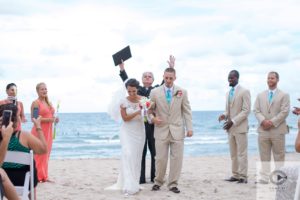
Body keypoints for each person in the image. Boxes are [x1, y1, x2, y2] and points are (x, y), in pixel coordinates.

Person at [118, 55, 175, 184]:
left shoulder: (157, 89)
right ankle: (141, 178)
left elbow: (167, 81)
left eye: (150, 76)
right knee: (140, 153)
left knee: (155, 152)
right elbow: (127, 82)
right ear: (142, 80)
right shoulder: (138, 90)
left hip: (154, 125)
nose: (147, 78)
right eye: (145, 76)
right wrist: (122, 69)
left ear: (154, 79)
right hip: (140, 125)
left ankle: (155, 177)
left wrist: (171, 67)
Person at [149, 67, 193, 194]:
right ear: (163, 76)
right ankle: (158, 182)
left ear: (175, 78)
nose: (168, 80)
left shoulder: (182, 91)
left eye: (171, 78)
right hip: (161, 130)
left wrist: (189, 128)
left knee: (177, 159)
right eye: (166, 78)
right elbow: (149, 111)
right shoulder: (154, 92)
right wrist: (153, 119)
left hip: (177, 130)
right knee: (160, 159)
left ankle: (173, 184)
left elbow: (186, 111)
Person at [106, 78, 145, 195]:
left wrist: (149, 115)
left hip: (139, 131)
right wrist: (138, 112)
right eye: (129, 91)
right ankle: (129, 186)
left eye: (134, 91)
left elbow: (148, 115)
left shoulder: (144, 100)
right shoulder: (123, 101)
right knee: (127, 154)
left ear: (137, 89)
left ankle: (134, 182)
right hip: (127, 131)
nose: (132, 94)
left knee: (136, 158)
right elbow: (125, 119)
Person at [0, 103, 48, 199]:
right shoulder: (24, 136)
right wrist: (38, 126)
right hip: (22, 180)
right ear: (15, 120)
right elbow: (43, 149)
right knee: (31, 164)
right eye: (18, 116)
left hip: (4, 181)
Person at [254, 71, 290, 184]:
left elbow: (285, 111)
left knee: (279, 155)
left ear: (277, 80)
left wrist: (271, 122)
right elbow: (256, 110)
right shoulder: (260, 95)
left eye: (272, 78)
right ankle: (264, 178)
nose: (270, 80)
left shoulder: (284, 95)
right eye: (268, 78)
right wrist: (263, 121)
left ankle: (279, 178)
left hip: (278, 130)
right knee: (264, 155)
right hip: (263, 130)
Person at [218, 70, 251, 184]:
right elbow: (228, 110)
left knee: (242, 153)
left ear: (237, 78)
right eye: (228, 78)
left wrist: (233, 121)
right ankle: (235, 174)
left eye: (231, 78)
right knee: (233, 154)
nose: (229, 80)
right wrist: (224, 115)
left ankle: (243, 176)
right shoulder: (228, 93)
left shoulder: (245, 91)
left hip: (240, 127)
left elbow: (246, 110)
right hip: (230, 128)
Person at [31, 82, 59, 182]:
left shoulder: (48, 103)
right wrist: (50, 120)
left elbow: (50, 117)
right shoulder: (36, 103)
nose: (44, 91)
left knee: (46, 153)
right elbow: (34, 118)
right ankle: (37, 176)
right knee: (39, 154)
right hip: (39, 131)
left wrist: (55, 119)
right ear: (37, 91)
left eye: (45, 89)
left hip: (48, 131)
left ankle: (44, 176)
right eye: (42, 89)